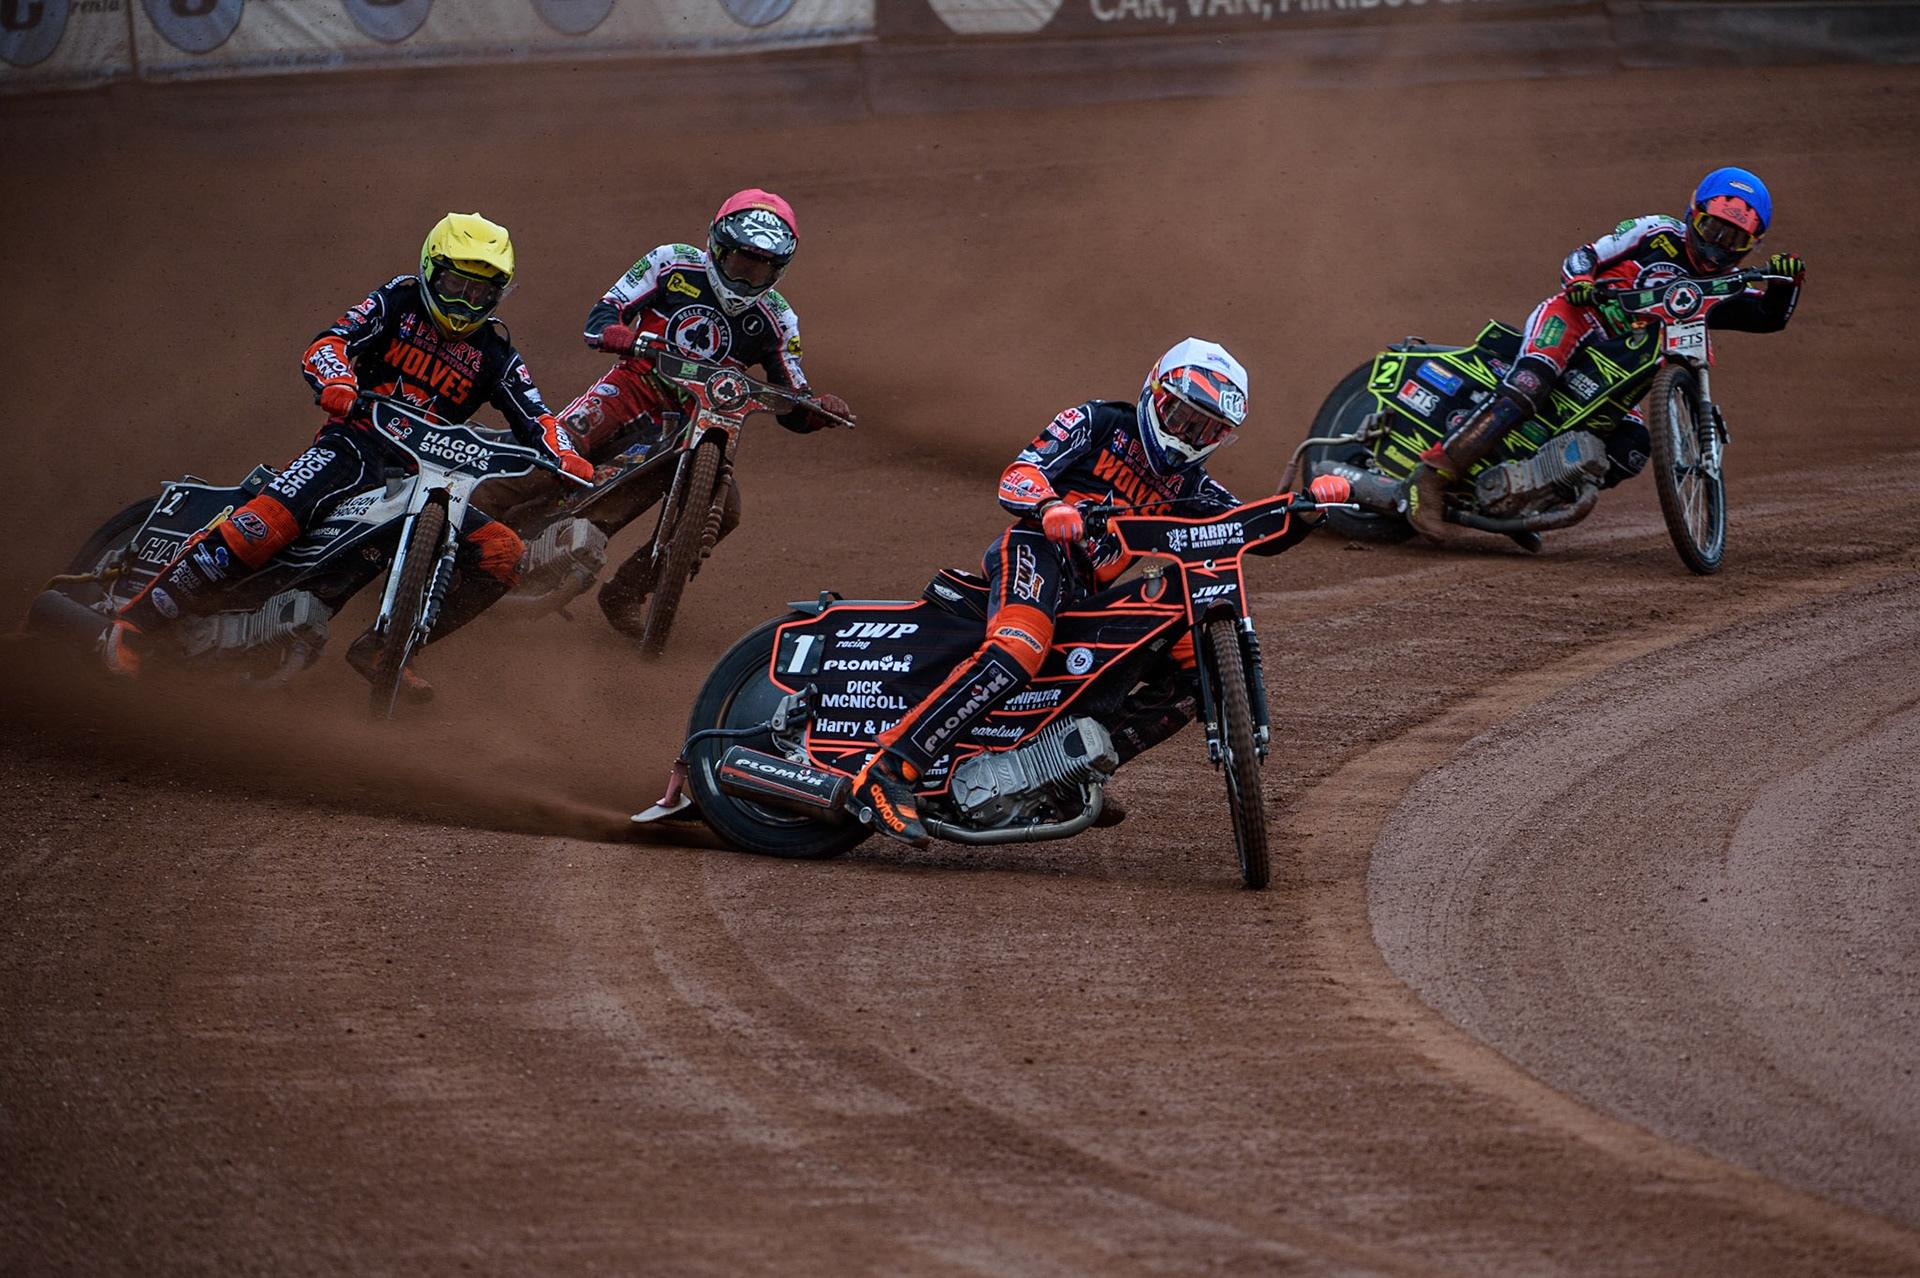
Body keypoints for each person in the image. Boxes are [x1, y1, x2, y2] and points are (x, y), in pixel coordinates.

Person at [844, 338, 1351, 847]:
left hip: (1085, 593)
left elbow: (1249, 531)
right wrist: (1049, 506)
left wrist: (1309, 510)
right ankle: (889, 770)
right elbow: (1019, 474)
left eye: (1206, 429)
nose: (1187, 437)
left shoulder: (1194, 488)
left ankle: (1065, 772)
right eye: (1181, 417)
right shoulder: (1100, 421)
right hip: (1037, 549)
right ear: (1154, 394)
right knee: (1020, 647)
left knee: (1195, 669)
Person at [100, 212, 593, 697]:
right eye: (454, 285)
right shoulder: (398, 301)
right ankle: (136, 622)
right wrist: (338, 380)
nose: (465, 301)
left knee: (502, 552)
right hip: (352, 446)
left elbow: (537, 417)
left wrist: (565, 455)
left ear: (498, 295)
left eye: (480, 292)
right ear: (430, 271)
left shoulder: (496, 353)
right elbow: (330, 342)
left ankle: (387, 648)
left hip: (424, 476)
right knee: (264, 526)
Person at [1407, 166, 1806, 541]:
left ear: (1752, 245)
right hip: (1577, 320)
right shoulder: (1656, 232)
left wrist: (1786, 283)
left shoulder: (1724, 287)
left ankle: (1524, 503)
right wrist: (1580, 281)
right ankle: (1432, 477)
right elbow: (1585, 256)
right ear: (1693, 215)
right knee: (1529, 385)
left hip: (1620, 367)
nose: (1718, 246)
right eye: (1713, 229)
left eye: (1734, 240)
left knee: (1631, 447)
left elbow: (1768, 317)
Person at [548, 189, 852, 635]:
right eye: (740, 263)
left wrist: (818, 410)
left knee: (724, 510)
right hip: (632, 388)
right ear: (717, 246)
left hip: (697, 424)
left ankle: (627, 591)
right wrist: (620, 336)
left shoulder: (779, 318)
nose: (746, 278)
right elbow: (603, 315)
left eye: (760, 269)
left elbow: (793, 402)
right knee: (554, 448)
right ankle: (480, 528)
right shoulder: (672, 263)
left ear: (778, 270)